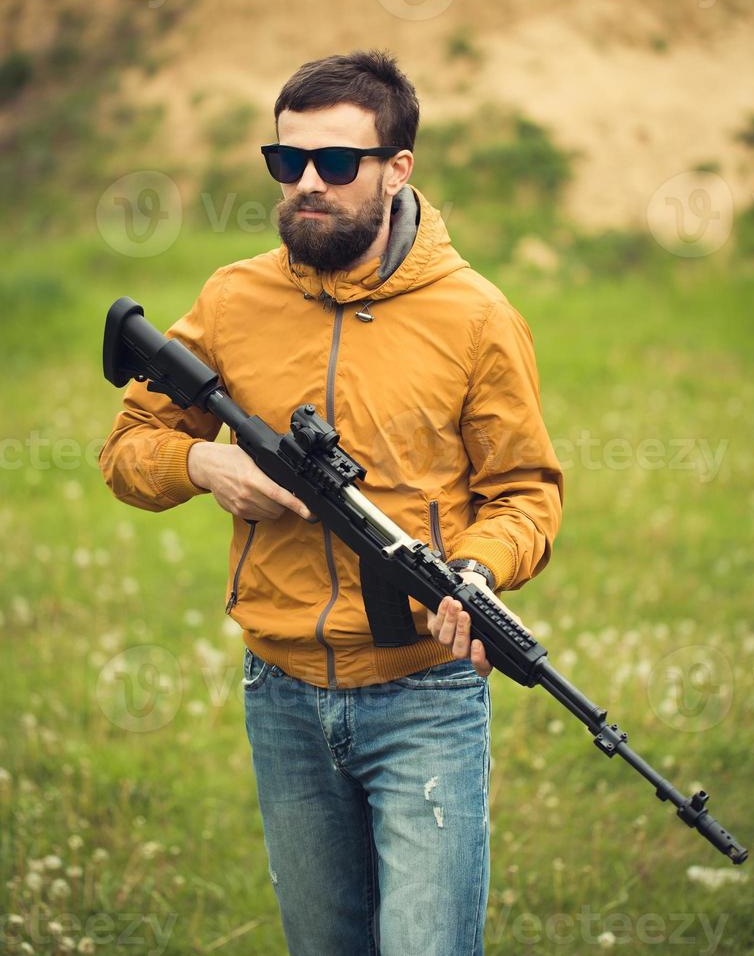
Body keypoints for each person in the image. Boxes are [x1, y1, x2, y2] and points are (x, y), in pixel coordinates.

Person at [99, 49, 563, 956]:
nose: (307, 183)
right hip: (281, 695)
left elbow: (524, 494)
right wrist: (204, 465)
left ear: (397, 170)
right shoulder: (233, 300)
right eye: (288, 161)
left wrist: (477, 569)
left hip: (425, 696)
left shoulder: (474, 316)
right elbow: (127, 451)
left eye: (337, 163)